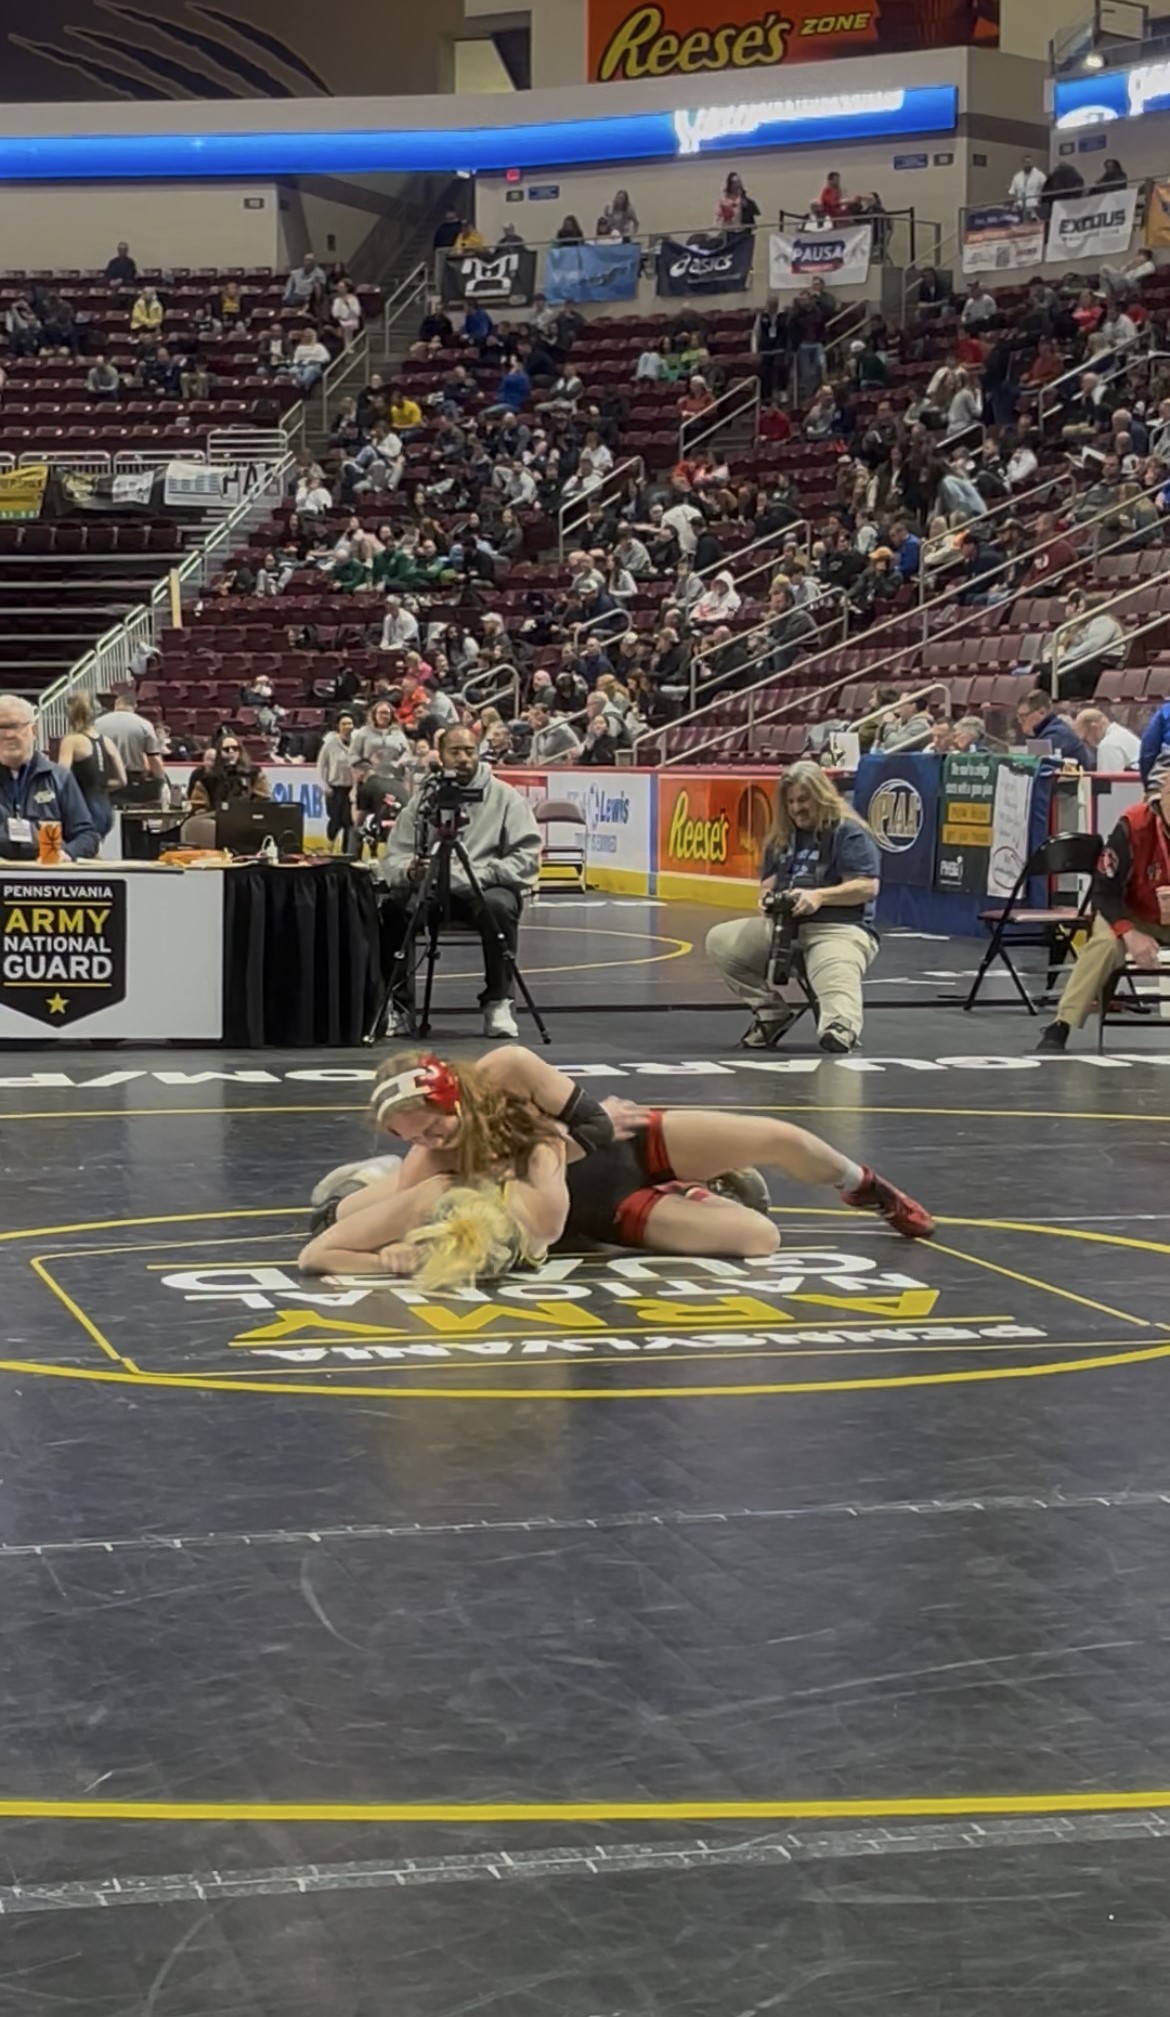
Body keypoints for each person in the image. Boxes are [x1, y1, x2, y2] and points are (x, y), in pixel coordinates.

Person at [299, 1048, 933, 1284]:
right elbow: (407, 1220)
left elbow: (601, 1124)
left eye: (434, 1122)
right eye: (416, 1136)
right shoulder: (432, 1161)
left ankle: (866, 1188)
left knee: (778, 1136)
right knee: (759, 1238)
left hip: (627, 1149)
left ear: (450, 1091)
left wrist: (561, 1139)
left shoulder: (508, 1071)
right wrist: (550, 1146)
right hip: (605, 1209)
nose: (435, 1135)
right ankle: (701, 1194)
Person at [377, 723, 541, 1040]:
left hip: (482, 888)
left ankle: (498, 1001)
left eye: (469, 751)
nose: (464, 758)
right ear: (441, 756)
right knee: (394, 909)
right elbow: (394, 857)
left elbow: (526, 859)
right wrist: (411, 871)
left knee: (499, 905)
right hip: (433, 890)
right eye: (455, 751)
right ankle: (399, 1007)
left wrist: (479, 875)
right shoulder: (422, 800)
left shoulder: (506, 798)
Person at [705, 764, 880, 1054]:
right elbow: (767, 884)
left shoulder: (849, 833)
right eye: (791, 802)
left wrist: (820, 896)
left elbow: (866, 887)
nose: (797, 808)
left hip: (839, 928)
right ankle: (770, 1010)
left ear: (821, 797)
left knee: (835, 967)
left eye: (803, 800)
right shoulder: (782, 837)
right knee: (721, 941)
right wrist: (767, 900)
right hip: (784, 926)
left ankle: (839, 1026)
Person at [1038, 769, 1170, 1051]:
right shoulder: (1133, 826)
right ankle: (1062, 1023)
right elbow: (1103, 892)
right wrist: (1130, 933)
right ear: (1165, 794)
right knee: (1106, 944)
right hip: (1130, 911)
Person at [0, 695, 100, 862]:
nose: (8, 735)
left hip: (47, 879)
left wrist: (67, 854)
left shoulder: (60, 778)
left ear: (34, 730)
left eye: (15, 726)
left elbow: (87, 836)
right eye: (1, 727)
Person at [56, 691, 126, 838]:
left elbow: (61, 778)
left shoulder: (71, 741)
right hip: (105, 809)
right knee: (95, 851)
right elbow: (122, 780)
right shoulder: (107, 741)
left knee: (83, 854)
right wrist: (98, 785)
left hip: (83, 810)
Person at [94, 688, 166, 784]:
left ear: (116, 705)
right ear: (134, 706)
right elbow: (153, 757)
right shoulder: (144, 725)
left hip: (106, 777)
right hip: (134, 778)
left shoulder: (97, 723)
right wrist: (160, 779)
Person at [188, 735, 271, 813]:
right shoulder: (206, 779)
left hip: (248, 819)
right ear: (219, 753)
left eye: (235, 748)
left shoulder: (255, 774)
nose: (231, 751)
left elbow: (263, 799)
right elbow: (199, 806)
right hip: (216, 822)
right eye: (227, 749)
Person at [1015, 689, 1090, 765]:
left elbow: (1037, 768)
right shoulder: (1043, 733)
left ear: (1042, 712)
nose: (1020, 721)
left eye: (1023, 717)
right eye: (1018, 717)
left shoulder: (1056, 735)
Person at [318, 712, 356, 850]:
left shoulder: (358, 742)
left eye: (350, 723)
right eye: (344, 724)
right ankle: (329, 846)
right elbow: (322, 766)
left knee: (349, 821)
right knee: (336, 820)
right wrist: (325, 786)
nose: (347, 726)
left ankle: (347, 850)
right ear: (338, 727)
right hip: (335, 788)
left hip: (352, 788)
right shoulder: (330, 744)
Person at [1075, 706, 1142, 773]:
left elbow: (1107, 780)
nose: (1088, 743)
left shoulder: (1108, 745)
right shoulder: (1119, 733)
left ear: (1094, 728)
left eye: (1085, 739)